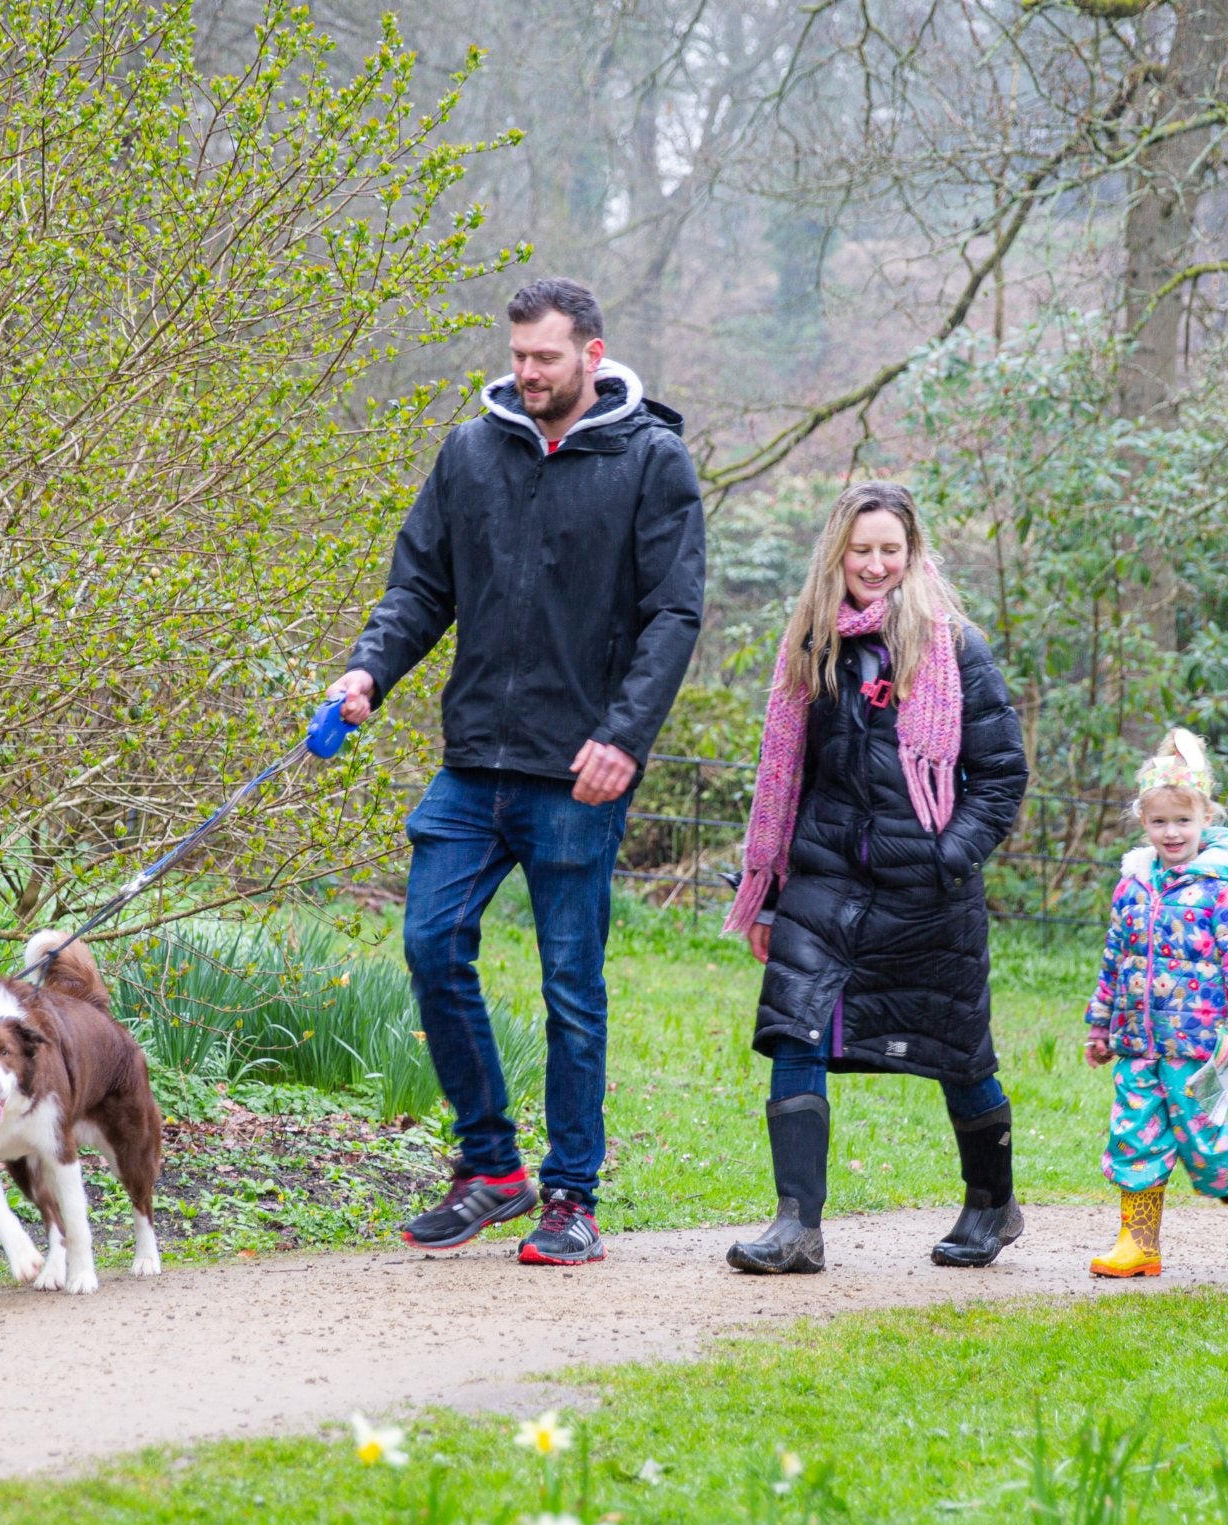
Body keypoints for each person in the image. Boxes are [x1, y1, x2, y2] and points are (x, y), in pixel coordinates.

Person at [331, 277, 705, 1266]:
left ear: (591, 350)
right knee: (429, 942)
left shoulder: (651, 461)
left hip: (580, 774)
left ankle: (572, 1195)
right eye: (518, 357)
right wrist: (371, 669)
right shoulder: (470, 454)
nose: (527, 373)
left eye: (544, 357)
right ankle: (491, 1168)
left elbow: (674, 615)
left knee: (571, 990)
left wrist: (623, 736)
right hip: (473, 767)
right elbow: (420, 588)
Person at [719, 481, 1029, 1273]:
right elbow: (788, 776)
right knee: (795, 1027)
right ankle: (797, 1226)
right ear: (839, 555)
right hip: (825, 882)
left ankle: (993, 1206)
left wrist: (945, 857)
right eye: (862, 550)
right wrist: (772, 892)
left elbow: (1000, 775)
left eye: (890, 549)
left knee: (960, 1057)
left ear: (911, 553)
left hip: (927, 893)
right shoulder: (814, 646)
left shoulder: (957, 647)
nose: (876, 564)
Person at [1082, 728, 1228, 1278]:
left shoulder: (1224, 889)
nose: (1171, 832)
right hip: (1137, 1046)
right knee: (1133, 1138)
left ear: (1206, 819)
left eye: (1183, 820)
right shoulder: (1133, 886)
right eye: (1159, 821)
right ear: (1142, 822)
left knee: (1202, 1143)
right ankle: (1139, 1245)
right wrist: (1101, 1026)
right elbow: (1114, 959)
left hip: (1197, 1048)